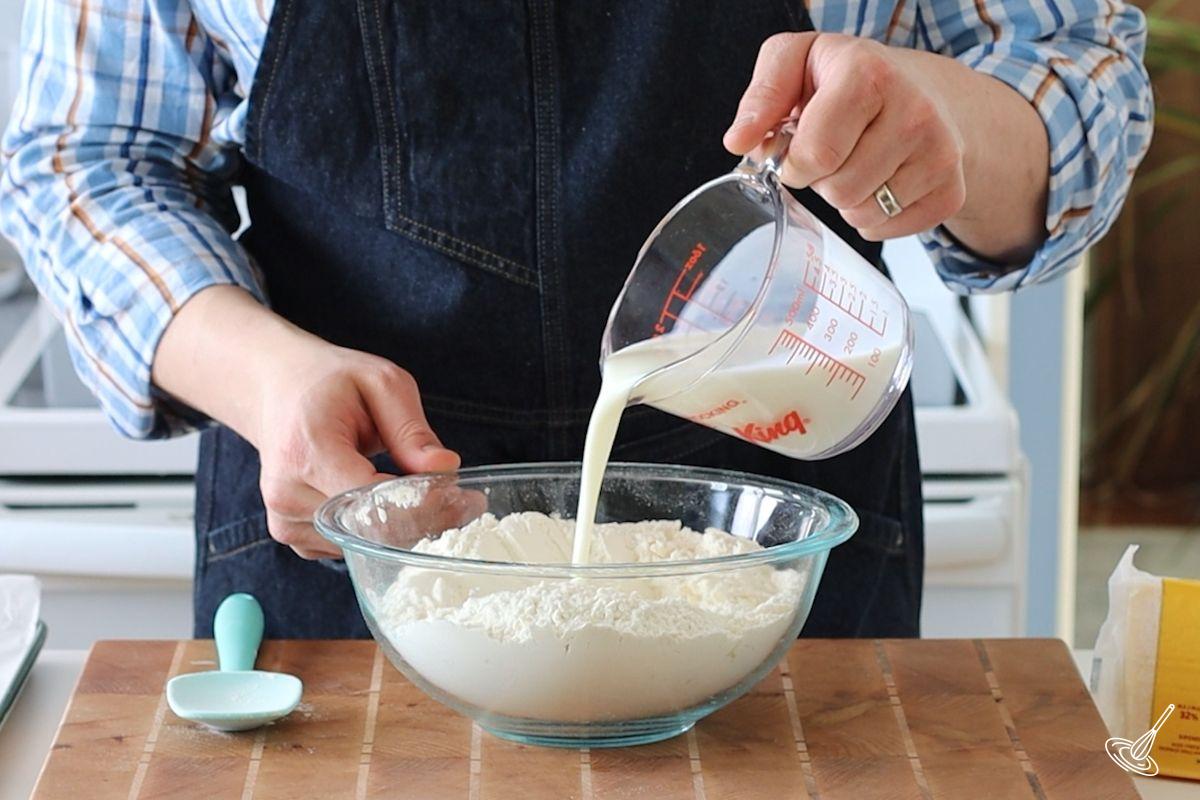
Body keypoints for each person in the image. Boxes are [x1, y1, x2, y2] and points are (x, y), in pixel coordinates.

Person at [1, 1, 1151, 638]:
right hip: (357, 541)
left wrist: (955, 127)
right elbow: (80, 156)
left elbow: (1076, 65)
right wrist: (262, 375)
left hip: (773, 549)